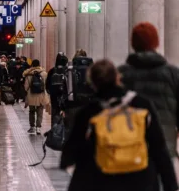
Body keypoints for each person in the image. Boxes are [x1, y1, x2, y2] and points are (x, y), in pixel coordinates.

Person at [60, 59, 178, 191]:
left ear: (92, 82)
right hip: (141, 180)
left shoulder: (88, 112)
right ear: (118, 77)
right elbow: (159, 149)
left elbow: (68, 156)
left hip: (102, 181)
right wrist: (170, 185)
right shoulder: (141, 104)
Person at [118, 22, 179, 179]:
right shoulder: (172, 74)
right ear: (156, 43)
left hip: (128, 147)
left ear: (133, 43)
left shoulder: (121, 74)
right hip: (163, 147)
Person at [23, 59, 50, 135]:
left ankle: (32, 127)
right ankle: (38, 128)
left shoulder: (28, 74)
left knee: (31, 111)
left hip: (31, 95)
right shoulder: (44, 73)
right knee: (40, 111)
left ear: (32, 65)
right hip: (41, 95)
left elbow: (26, 86)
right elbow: (46, 85)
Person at [46, 52, 69, 124]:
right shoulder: (67, 70)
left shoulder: (52, 71)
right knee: (66, 114)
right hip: (65, 97)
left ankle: (55, 131)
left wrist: (51, 92)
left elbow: (47, 85)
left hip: (54, 97)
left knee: (55, 113)